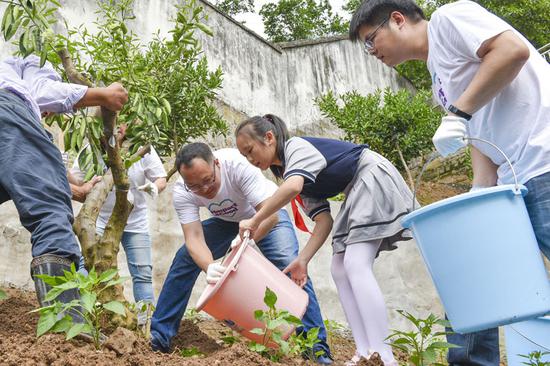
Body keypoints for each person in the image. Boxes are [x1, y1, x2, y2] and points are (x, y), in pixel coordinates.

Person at [348, 1, 550, 364]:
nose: (371, 52)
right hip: (510, 185)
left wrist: (458, 112)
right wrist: (479, 190)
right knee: (470, 285)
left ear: (397, 20)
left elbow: (512, 50)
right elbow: (478, 131)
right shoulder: (438, 76)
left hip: (544, 164)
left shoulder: (448, 20)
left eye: (370, 40)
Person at [236, 114, 414, 366]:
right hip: (355, 189)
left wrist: (254, 221)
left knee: (355, 264)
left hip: (371, 175)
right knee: (339, 269)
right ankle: (364, 352)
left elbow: (292, 188)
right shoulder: (287, 172)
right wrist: (303, 260)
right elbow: (323, 221)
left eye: (250, 150)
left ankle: (384, 355)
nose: (250, 159)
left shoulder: (296, 148)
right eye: (244, 156)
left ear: (268, 138)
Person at [150, 143, 332, 364]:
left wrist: (246, 245)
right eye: (195, 186)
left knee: (289, 266)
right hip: (228, 223)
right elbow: (194, 238)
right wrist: (209, 267)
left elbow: (270, 215)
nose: (204, 189)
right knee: (184, 258)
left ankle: (316, 350)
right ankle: (160, 337)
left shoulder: (236, 164)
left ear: (216, 164)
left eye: (208, 180)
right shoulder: (182, 191)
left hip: (267, 217)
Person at [0, 55, 128, 313]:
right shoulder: (30, 59)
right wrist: (102, 95)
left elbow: (23, 177)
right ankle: (65, 317)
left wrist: (75, 189)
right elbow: (43, 91)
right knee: (50, 212)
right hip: (6, 108)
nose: (47, 114)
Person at [71, 124, 167, 315]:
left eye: (122, 121)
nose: (117, 126)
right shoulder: (92, 149)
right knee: (87, 265)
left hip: (134, 220)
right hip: (99, 219)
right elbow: (76, 180)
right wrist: (85, 186)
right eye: (112, 121)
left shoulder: (141, 148)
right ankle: (77, 314)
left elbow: (161, 178)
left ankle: (146, 322)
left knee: (142, 273)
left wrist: (152, 188)